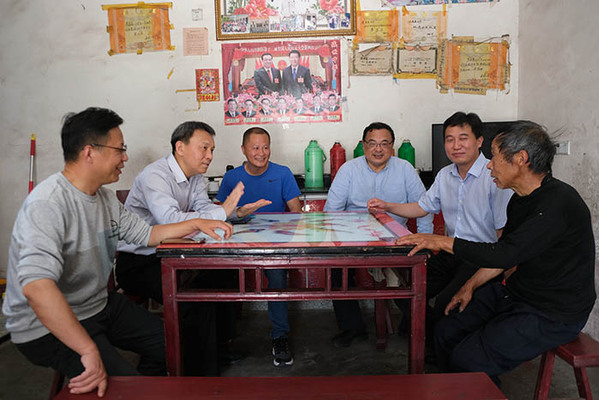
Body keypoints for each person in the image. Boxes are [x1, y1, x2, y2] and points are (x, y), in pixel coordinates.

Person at [2, 108, 233, 397]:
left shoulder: (104, 198)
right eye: (120, 149)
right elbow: (37, 288)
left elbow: (147, 235)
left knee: (180, 344)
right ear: (89, 152)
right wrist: (87, 349)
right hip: (46, 324)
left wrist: (197, 223)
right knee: (117, 385)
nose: (125, 157)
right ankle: (133, 385)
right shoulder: (48, 204)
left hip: (97, 305)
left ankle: (145, 385)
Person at [396, 121, 596, 386]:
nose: (489, 165)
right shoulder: (520, 199)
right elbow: (508, 254)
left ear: (520, 159)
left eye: (495, 157)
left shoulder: (558, 203)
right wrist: (469, 286)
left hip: (553, 312)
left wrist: (441, 241)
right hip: (517, 294)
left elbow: (503, 254)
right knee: (445, 329)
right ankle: (453, 389)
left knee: (470, 360)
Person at [116, 121, 269, 376]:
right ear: (180, 147)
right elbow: (170, 220)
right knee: (196, 297)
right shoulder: (155, 175)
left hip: (176, 256)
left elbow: (205, 210)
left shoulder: (195, 177)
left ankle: (219, 348)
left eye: (212, 149)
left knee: (225, 275)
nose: (209, 156)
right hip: (140, 262)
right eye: (204, 148)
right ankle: (200, 372)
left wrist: (236, 212)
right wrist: (224, 210)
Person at [367, 112, 513, 329]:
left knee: (446, 303)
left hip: (480, 257)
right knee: (404, 291)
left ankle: (434, 336)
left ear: (479, 141)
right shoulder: (445, 175)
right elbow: (421, 207)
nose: (456, 146)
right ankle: (429, 334)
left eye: (463, 138)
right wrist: (387, 206)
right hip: (450, 252)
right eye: (449, 139)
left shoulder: (495, 176)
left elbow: (505, 238)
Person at [324, 122, 433, 348]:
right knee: (335, 271)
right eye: (372, 143)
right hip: (353, 238)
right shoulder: (348, 170)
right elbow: (331, 212)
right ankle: (352, 328)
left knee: (410, 276)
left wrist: (426, 241)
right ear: (363, 146)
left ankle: (412, 325)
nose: (378, 149)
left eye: (384, 144)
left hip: (395, 240)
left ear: (392, 147)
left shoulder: (405, 169)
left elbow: (424, 207)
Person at [217, 127, 302, 367]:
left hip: (275, 243)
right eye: (255, 148)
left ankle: (280, 336)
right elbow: (217, 215)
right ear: (243, 150)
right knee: (220, 277)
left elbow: (296, 213)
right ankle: (223, 341)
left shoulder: (283, 173)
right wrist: (243, 212)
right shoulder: (232, 178)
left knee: (276, 277)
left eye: (265, 147)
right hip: (237, 244)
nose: (261, 153)